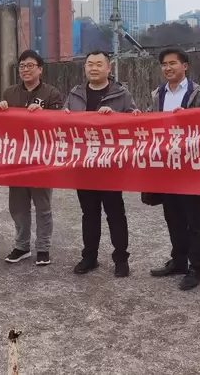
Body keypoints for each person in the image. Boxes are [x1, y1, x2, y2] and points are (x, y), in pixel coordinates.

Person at [65, 50, 139, 277]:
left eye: (99, 64)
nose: (94, 68)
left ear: (108, 68)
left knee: (115, 213)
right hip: (84, 165)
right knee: (89, 214)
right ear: (85, 68)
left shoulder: (121, 94)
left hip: (111, 165)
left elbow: (135, 121)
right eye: (90, 64)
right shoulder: (75, 94)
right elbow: (61, 124)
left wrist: (115, 116)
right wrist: (63, 116)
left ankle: (121, 259)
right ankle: (89, 257)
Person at [149, 48, 200, 290]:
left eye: (173, 63)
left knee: (193, 219)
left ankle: (196, 268)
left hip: (190, 166)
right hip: (166, 165)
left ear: (185, 66)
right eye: (164, 64)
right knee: (172, 216)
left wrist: (190, 119)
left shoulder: (199, 95)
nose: (168, 68)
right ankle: (179, 260)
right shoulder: (158, 94)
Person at [0, 50, 64, 266]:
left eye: (30, 66)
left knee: (42, 206)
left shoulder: (51, 93)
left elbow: (60, 124)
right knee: (18, 206)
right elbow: (1, 126)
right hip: (16, 158)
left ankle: (43, 247)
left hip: (41, 158)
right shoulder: (9, 93)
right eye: (22, 66)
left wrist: (43, 114)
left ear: (40, 69)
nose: (26, 70)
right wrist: (1, 110)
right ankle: (22, 245)